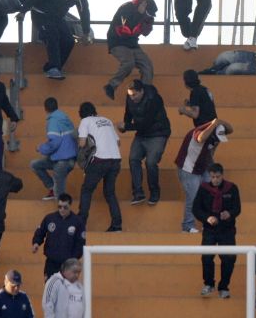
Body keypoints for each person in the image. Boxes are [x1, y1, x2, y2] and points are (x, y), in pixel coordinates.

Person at [17, 0, 91, 80]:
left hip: (57, 18)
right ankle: (54, 68)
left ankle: (53, 67)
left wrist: (86, 32)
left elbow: (84, 11)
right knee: (52, 34)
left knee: (69, 40)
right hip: (41, 14)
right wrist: (23, 11)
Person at [117, 80, 170, 205]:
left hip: (158, 132)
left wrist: (127, 126)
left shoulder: (154, 99)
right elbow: (128, 114)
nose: (132, 98)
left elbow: (147, 122)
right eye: (130, 95)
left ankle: (154, 192)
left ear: (142, 91)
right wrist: (125, 126)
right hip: (141, 133)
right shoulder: (130, 98)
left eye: (134, 95)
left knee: (151, 162)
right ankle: (138, 192)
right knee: (133, 158)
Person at [175, 118, 233, 233]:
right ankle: (187, 226)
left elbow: (230, 130)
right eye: (216, 138)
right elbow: (201, 138)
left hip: (202, 167)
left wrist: (220, 122)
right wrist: (213, 124)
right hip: (188, 168)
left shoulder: (213, 137)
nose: (218, 141)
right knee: (193, 196)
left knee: (212, 193)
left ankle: (209, 223)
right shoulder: (200, 133)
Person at [192, 163, 241, 299]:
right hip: (210, 229)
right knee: (206, 257)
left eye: (218, 177)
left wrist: (229, 214)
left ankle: (224, 287)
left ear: (222, 175)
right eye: (213, 177)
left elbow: (237, 208)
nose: (215, 180)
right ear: (209, 176)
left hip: (227, 230)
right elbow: (196, 209)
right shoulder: (203, 189)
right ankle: (208, 284)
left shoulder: (232, 188)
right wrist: (207, 218)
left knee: (229, 258)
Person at [77, 102, 123, 232]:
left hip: (99, 160)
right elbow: (118, 142)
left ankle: (81, 224)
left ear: (81, 113)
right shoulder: (107, 120)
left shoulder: (85, 121)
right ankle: (117, 225)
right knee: (110, 193)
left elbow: (82, 143)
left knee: (86, 190)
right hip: (115, 160)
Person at [103, 0, 157, 100]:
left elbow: (145, 33)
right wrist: (139, 14)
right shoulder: (127, 7)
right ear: (143, 4)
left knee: (148, 66)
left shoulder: (145, 16)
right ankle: (111, 86)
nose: (148, 15)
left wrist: (148, 24)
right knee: (129, 62)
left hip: (132, 44)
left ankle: (144, 95)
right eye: (148, 12)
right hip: (117, 41)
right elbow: (127, 25)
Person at [30, 97, 78, 200]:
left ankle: (57, 196)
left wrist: (40, 148)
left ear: (45, 109)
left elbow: (54, 142)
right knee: (35, 165)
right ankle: (52, 188)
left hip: (62, 161)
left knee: (59, 197)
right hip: (68, 159)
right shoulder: (66, 118)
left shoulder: (53, 121)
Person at [32, 193, 86, 280]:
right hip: (51, 262)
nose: (62, 210)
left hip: (68, 264)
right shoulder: (50, 218)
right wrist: (36, 243)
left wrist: (73, 259)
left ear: (70, 206)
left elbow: (80, 243)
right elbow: (40, 231)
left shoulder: (77, 222)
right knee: (50, 289)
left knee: (67, 290)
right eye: (60, 207)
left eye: (65, 207)